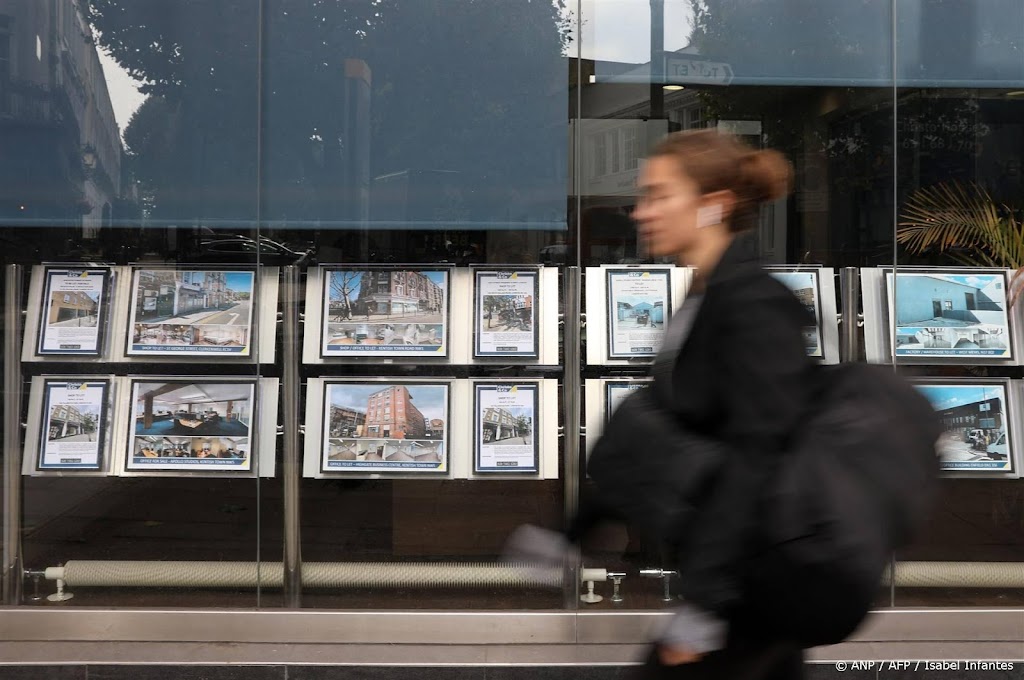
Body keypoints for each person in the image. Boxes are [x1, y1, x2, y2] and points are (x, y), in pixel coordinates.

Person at [506, 129, 813, 680]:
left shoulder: (756, 306)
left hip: (744, 593)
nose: (640, 211)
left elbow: (758, 460)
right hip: (726, 589)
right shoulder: (705, 294)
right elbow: (657, 434)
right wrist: (572, 535)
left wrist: (704, 607)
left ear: (711, 207)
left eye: (659, 195)